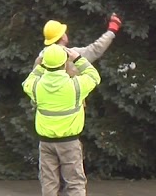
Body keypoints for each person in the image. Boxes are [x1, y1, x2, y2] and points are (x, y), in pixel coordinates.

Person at [23, 44, 100, 196]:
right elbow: (94, 76)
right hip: (69, 143)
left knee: (49, 182)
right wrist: (77, 58)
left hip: (46, 143)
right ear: (65, 63)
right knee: (74, 183)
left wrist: (40, 65)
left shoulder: (36, 86)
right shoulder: (76, 86)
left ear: (44, 64)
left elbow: (28, 81)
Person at [39, 14, 121, 66]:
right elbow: (94, 50)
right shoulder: (71, 55)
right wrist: (111, 30)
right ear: (63, 37)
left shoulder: (41, 58)